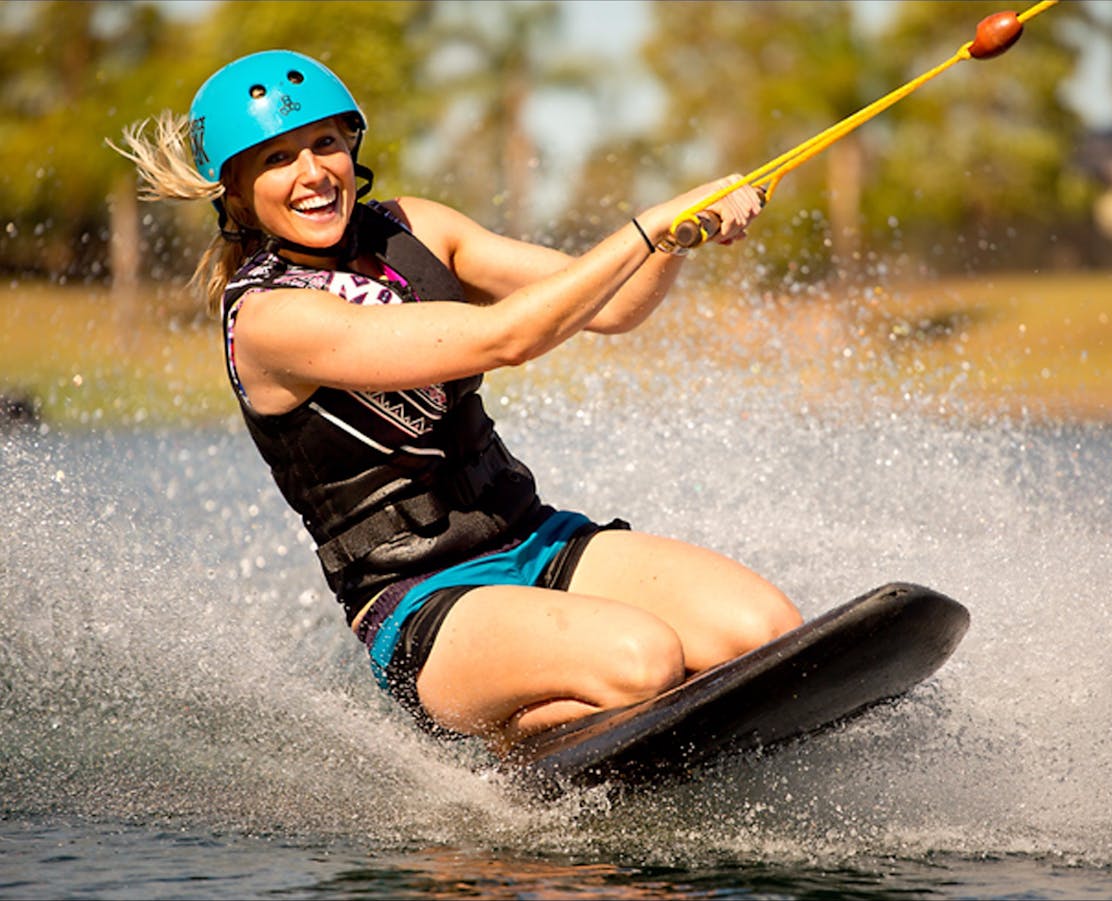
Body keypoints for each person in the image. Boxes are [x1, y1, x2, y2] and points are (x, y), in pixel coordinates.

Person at [114, 49, 802, 756]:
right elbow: (509, 337)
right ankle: (508, 747)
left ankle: (619, 705)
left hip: (533, 536)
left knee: (769, 632)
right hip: (425, 598)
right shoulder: (270, 320)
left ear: (352, 146)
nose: (313, 173)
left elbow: (616, 304)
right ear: (234, 192)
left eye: (324, 144)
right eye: (277, 159)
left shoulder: (415, 228)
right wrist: (647, 226)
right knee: (645, 663)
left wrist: (681, 233)